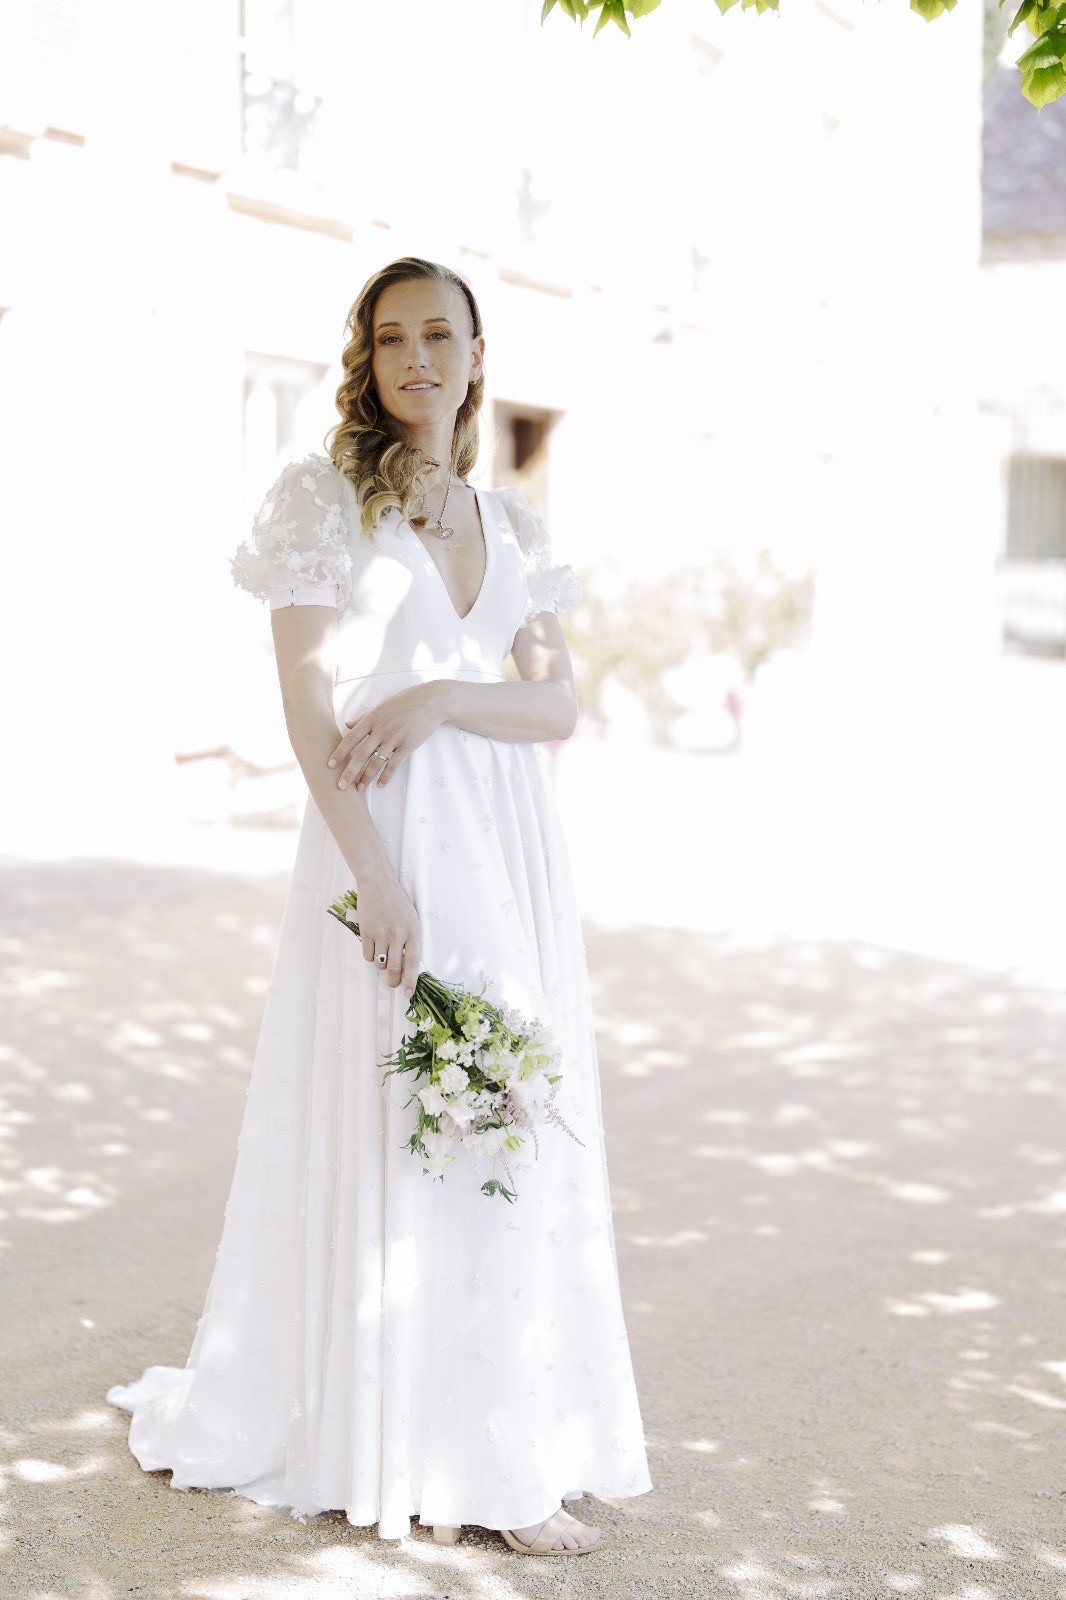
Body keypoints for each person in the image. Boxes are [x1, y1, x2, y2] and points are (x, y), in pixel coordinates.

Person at [107, 256, 652, 1556]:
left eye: (439, 335)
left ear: (476, 353)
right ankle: (411, 1440)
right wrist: (375, 875)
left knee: (504, 1114)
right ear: (368, 357)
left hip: (510, 850)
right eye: (391, 336)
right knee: (409, 1113)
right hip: (383, 836)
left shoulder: (512, 522)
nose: (417, 356)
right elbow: (304, 707)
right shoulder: (321, 499)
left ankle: (505, 1439)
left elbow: (558, 708)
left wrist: (447, 695)